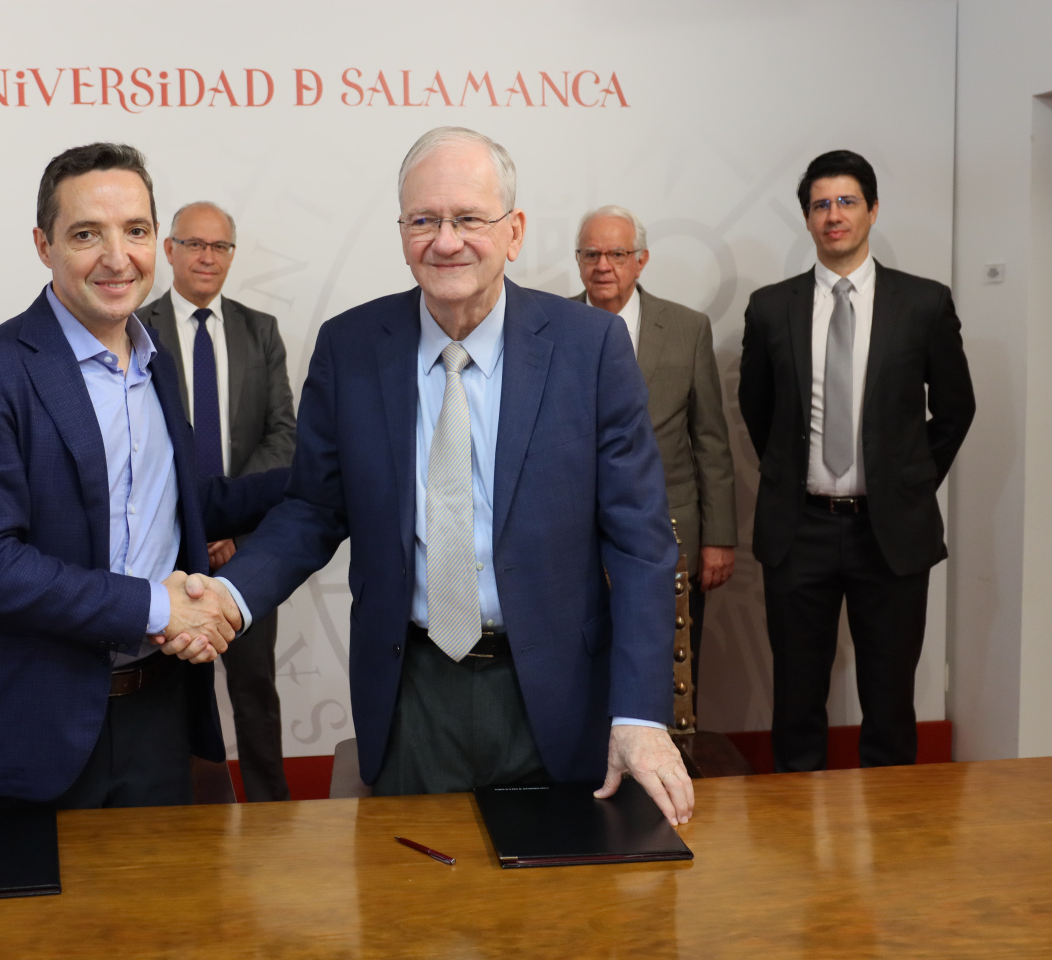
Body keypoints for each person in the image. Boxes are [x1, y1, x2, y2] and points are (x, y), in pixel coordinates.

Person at [206, 127, 694, 824]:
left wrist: (642, 713)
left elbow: (642, 544)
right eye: (424, 220)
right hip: (413, 691)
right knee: (415, 911)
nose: (446, 240)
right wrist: (231, 596)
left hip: (556, 692)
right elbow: (312, 510)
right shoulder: (350, 349)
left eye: (468, 218)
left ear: (515, 231)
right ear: (402, 230)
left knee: (562, 922)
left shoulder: (590, 350)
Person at [0, 143, 288, 811]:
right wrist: (157, 607)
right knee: (21, 922)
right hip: (26, 733)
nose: (118, 258)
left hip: (158, 718)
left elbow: (181, 504)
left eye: (136, 231)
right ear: (44, 244)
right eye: (88, 233)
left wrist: (319, 473)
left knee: (157, 917)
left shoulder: (157, 364)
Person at [738, 150, 975, 772]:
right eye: (821, 205)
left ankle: (891, 855)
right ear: (808, 220)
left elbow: (955, 408)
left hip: (890, 532)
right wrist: (795, 478)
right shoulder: (770, 308)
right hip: (800, 530)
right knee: (795, 702)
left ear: (872, 210)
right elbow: (758, 410)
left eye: (846, 202)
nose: (833, 215)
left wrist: (908, 483)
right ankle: (796, 850)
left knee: (891, 704)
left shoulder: (923, 303)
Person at [137, 201, 298, 802]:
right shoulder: (135, 326)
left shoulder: (261, 330)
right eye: (195, 244)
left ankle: (271, 814)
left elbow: (284, 433)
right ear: (170, 250)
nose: (207, 257)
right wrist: (195, 524)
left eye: (220, 247)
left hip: (245, 551)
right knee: (171, 700)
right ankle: (179, 815)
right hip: (166, 553)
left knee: (255, 692)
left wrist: (231, 524)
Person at [571, 206, 736, 688]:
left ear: (641, 260)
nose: (604, 265)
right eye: (591, 254)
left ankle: (669, 761)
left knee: (669, 666)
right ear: (578, 261)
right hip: (575, 534)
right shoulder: (548, 326)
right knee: (583, 667)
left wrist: (719, 536)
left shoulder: (687, 329)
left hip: (672, 532)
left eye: (617, 253)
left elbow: (710, 440)